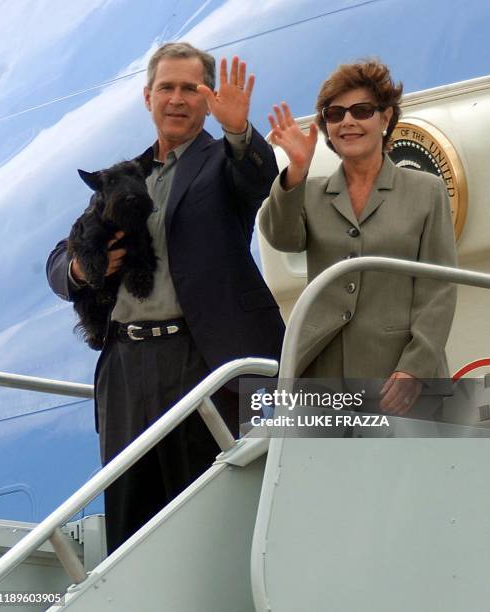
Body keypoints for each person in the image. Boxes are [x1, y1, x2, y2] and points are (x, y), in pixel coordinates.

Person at [47, 42, 284, 554]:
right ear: (147, 97)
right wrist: (81, 270)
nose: (177, 99)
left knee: (206, 518)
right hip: (126, 369)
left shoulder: (224, 161)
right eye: (166, 88)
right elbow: (59, 263)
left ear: (207, 98)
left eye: (190, 89)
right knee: (132, 524)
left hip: (201, 360)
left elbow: (259, 181)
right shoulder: (121, 176)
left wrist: (240, 132)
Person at [259, 59, 456, 415]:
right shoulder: (311, 192)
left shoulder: (426, 190)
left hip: (398, 377)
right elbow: (281, 237)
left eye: (361, 110)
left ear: (385, 118)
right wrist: (295, 172)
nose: (348, 121)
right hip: (322, 377)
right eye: (335, 114)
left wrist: (416, 366)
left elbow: (439, 288)